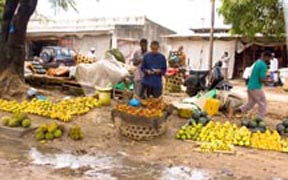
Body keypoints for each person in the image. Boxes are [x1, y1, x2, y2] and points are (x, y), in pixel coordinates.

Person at [236, 51, 272, 119]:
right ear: (266, 57)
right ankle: (260, 119)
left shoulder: (257, 63)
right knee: (263, 103)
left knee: (250, 103)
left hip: (250, 86)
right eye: (269, 58)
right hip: (256, 87)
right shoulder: (263, 65)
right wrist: (268, 81)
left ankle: (237, 111)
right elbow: (261, 79)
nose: (269, 61)